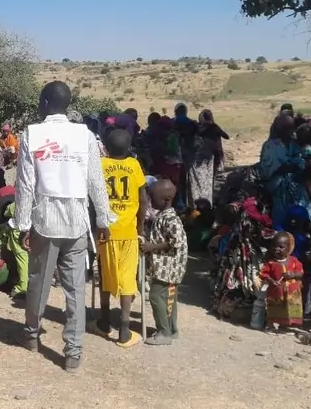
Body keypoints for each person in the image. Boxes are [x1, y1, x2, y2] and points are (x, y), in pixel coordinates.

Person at [14, 81, 114, 372]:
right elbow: (97, 181)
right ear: (68, 105)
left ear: (45, 103)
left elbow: (25, 185)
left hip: (45, 219)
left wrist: (22, 224)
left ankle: (32, 335)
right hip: (77, 221)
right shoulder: (85, 135)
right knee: (75, 289)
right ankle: (73, 351)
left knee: (39, 281)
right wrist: (102, 220)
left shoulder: (32, 134)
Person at [93, 129, 147, 347]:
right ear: (129, 148)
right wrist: (141, 227)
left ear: (105, 146)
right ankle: (124, 331)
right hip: (127, 232)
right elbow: (143, 200)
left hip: (105, 230)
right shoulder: (134, 166)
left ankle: (104, 321)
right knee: (127, 279)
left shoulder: (101, 165)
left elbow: (92, 196)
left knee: (105, 273)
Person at [141, 179, 188, 345]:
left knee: (155, 296)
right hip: (164, 266)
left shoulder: (171, 219)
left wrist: (151, 247)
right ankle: (172, 329)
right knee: (169, 298)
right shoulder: (162, 216)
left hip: (169, 267)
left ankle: (163, 332)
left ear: (166, 200)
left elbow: (177, 242)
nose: (150, 201)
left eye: (153, 198)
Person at [260, 114, 309, 228]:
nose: (291, 131)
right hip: (278, 190)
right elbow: (267, 171)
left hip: (297, 188)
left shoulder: (295, 143)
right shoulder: (270, 146)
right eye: (287, 128)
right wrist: (290, 166)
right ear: (279, 129)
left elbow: (303, 162)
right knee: (281, 219)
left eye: (292, 128)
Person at [259, 232, 304, 331]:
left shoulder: (294, 261)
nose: (276, 249)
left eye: (281, 247)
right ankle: (273, 325)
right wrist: (271, 280)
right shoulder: (270, 262)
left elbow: (300, 273)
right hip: (276, 293)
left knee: (291, 309)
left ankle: (288, 326)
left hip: (292, 294)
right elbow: (263, 274)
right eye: (274, 246)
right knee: (276, 309)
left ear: (289, 248)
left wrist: (292, 275)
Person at [187, 109, 226, 207]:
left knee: (202, 185)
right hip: (214, 156)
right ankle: (208, 204)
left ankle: (200, 205)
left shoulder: (201, 134)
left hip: (210, 158)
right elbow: (226, 136)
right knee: (209, 182)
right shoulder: (214, 127)